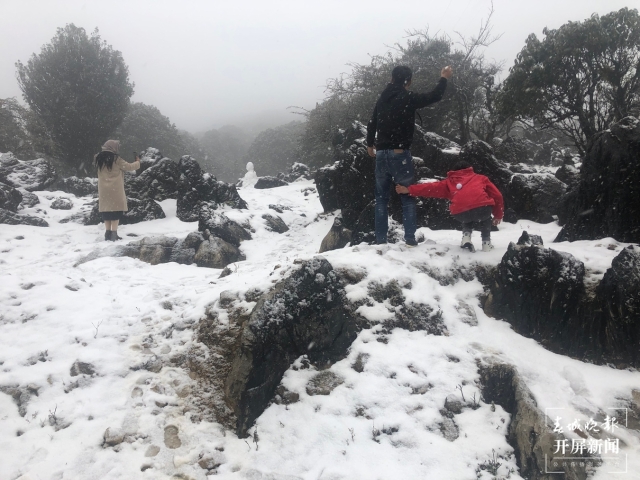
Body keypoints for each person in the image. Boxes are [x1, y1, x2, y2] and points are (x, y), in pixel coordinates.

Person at [367, 64, 452, 246]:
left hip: (381, 154)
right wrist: (443, 77)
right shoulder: (408, 97)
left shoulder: (382, 98)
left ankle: (380, 241)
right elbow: (435, 96)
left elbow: (372, 121)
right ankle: (410, 239)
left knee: (381, 199)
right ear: (409, 81)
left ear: (391, 79)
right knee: (407, 196)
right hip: (400, 154)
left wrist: (369, 144)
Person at [395, 160, 504, 252]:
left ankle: (466, 237)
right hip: (482, 209)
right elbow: (497, 195)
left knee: (466, 208)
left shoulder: (449, 182)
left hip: (460, 213)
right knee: (483, 213)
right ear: (470, 169)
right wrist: (498, 215)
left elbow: (430, 188)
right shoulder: (481, 178)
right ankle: (486, 243)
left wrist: (409, 189)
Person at [94, 140, 140, 241]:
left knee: (106, 210)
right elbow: (129, 167)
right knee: (116, 210)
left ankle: (107, 233)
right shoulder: (116, 159)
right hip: (115, 188)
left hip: (103, 189)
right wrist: (137, 162)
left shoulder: (98, 158)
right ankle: (114, 234)